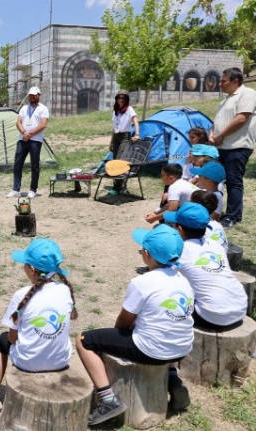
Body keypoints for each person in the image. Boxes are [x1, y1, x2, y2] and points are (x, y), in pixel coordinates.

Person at [77, 225, 194, 425]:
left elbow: (124, 321)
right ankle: (173, 379)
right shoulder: (183, 280)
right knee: (166, 325)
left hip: (150, 350)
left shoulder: (143, 282)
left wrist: (116, 337)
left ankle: (108, 399)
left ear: (146, 254)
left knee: (84, 340)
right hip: (183, 349)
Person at [0, 238, 78, 412]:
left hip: (28, 363)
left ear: (32, 270)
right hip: (61, 360)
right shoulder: (65, 290)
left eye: (24, 264)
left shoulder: (21, 295)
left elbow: (12, 338)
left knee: (2, 340)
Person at [163, 203, 246, 331]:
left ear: (179, 229)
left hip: (211, 316)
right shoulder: (215, 245)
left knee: (167, 299)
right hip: (240, 308)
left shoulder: (180, 251)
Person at [209, 67, 256, 228]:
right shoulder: (226, 100)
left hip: (237, 146)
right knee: (215, 179)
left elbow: (242, 118)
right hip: (221, 146)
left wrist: (221, 136)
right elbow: (217, 122)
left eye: (224, 81)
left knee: (233, 181)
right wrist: (212, 134)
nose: (220, 84)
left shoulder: (247, 94)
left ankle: (232, 216)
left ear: (235, 81)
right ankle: (214, 210)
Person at [7, 87, 49, 199]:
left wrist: (30, 134)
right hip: (22, 139)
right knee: (17, 164)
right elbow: (18, 122)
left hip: (35, 140)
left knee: (34, 165)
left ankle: (33, 190)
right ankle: (16, 190)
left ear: (39, 95)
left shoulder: (43, 109)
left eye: (34, 95)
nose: (32, 97)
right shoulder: (24, 108)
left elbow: (43, 124)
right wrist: (24, 132)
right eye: (30, 95)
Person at [107, 90, 140, 196]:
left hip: (125, 137)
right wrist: (111, 142)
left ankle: (120, 186)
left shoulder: (129, 109)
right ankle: (117, 185)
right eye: (119, 98)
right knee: (114, 161)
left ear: (126, 99)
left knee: (121, 161)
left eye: (123, 98)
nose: (121, 100)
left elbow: (135, 121)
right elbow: (114, 128)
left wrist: (137, 134)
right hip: (116, 137)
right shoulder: (115, 111)